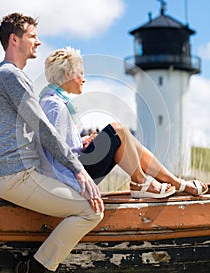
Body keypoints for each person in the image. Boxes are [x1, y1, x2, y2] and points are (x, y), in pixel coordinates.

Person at [0, 13, 104, 273]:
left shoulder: (7, 76)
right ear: (15, 40)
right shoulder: (11, 76)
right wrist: (78, 170)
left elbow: (37, 132)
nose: (37, 41)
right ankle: (35, 269)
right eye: (31, 36)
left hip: (13, 174)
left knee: (87, 202)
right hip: (16, 175)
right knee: (92, 210)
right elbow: (42, 127)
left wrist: (77, 143)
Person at [39, 46, 209, 199]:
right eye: (80, 73)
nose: (84, 79)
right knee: (117, 130)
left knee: (127, 139)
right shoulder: (54, 105)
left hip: (73, 171)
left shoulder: (55, 101)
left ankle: (177, 183)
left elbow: (60, 143)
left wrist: (82, 143)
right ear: (68, 74)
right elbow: (55, 152)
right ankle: (141, 183)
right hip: (72, 178)